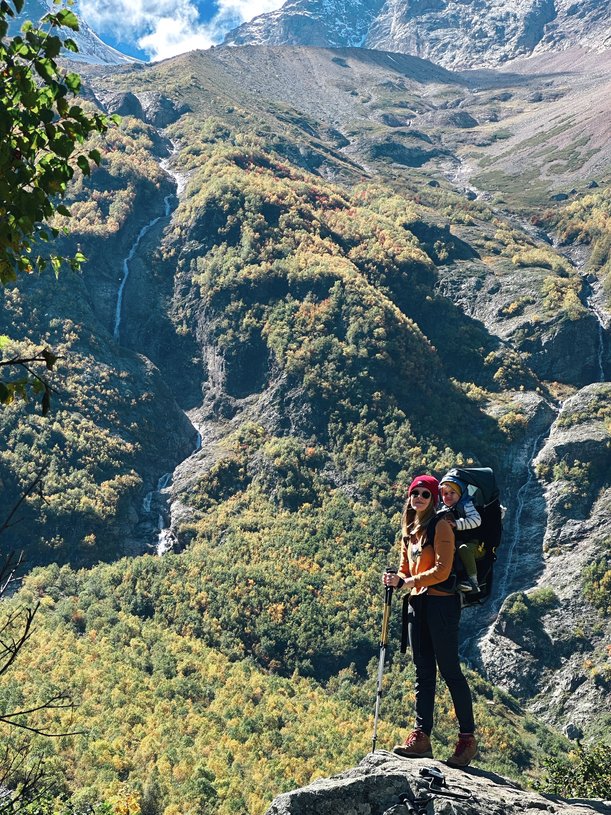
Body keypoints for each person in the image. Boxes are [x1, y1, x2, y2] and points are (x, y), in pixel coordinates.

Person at [383, 474, 478, 767]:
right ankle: (421, 737)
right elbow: (405, 567)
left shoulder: (441, 526)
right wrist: (396, 578)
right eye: (416, 493)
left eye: (426, 494)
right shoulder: (410, 531)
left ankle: (467, 740)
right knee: (422, 670)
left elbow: (442, 570)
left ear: (434, 499)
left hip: (441, 603)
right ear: (410, 497)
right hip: (418, 603)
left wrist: (408, 582)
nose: (420, 498)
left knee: (449, 670)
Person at [439, 475, 481, 594]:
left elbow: (476, 520)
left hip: (475, 545)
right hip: (458, 542)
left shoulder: (466, 504)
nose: (448, 496)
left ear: (461, 493)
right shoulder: (444, 510)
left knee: (463, 549)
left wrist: (456, 524)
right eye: (445, 493)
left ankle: (473, 582)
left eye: (452, 492)